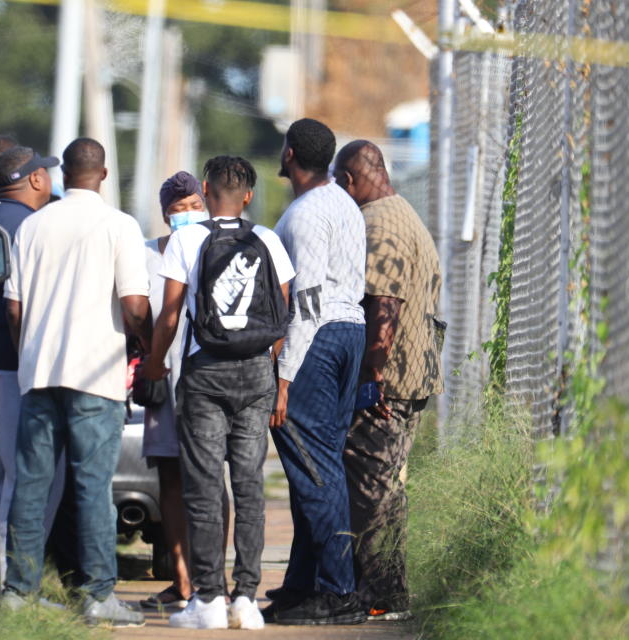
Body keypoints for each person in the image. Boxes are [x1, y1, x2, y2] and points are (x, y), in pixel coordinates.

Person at [1, 138, 150, 627]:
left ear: (64, 174)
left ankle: (18, 591)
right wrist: (147, 348)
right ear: (103, 174)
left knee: (31, 484)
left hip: (40, 374)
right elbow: (133, 306)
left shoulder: (34, 226)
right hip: (95, 376)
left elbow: (14, 308)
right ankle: (97, 594)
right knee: (92, 487)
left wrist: (29, 354)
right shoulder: (119, 226)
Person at [143, 156, 294, 630]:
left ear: (206, 190)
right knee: (249, 485)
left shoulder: (186, 239)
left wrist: (153, 362)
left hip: (204, 373)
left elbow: (170, 313)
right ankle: (246, 599)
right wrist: (270, 369)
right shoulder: (267, 239)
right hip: (255, 373)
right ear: (248, 195)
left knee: (204, 486)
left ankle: (207, 600)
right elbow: (282, 314)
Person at [333, 140, 443, 622]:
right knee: (388, 486)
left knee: (371, 488)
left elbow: (384, 306)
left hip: (389, 382)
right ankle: (389, 592)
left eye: (341, 181)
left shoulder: (381, 223)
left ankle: (378, 593)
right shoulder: (404, 214)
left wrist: (369, 376)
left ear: (354, 179)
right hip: (410, 374)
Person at [265, 118, 368, 626]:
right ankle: (302, 584)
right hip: (350, 330)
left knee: (314, 465)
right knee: (319, 463)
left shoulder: (305, 214)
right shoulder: (343, 203)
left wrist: (284, 376)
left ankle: (338, 590)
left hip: (320, 338)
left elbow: (304, 303)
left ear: (289, 155)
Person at [0, 145, 66, 583]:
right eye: (47, 173)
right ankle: (12, 579)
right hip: (17, 362)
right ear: (36, 179)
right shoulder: (34, 228)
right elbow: (20, 306)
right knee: (28, 474)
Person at [138, 171, 207, 611]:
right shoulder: (147, 255)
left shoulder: (223, 248)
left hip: (208, 380)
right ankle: (182, 578)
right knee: (170, 475)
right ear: (165, 215)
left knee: (208, 478)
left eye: (193, 206)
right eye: (177, 209)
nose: (186, 215)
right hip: (163, 381)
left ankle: (209, 575)